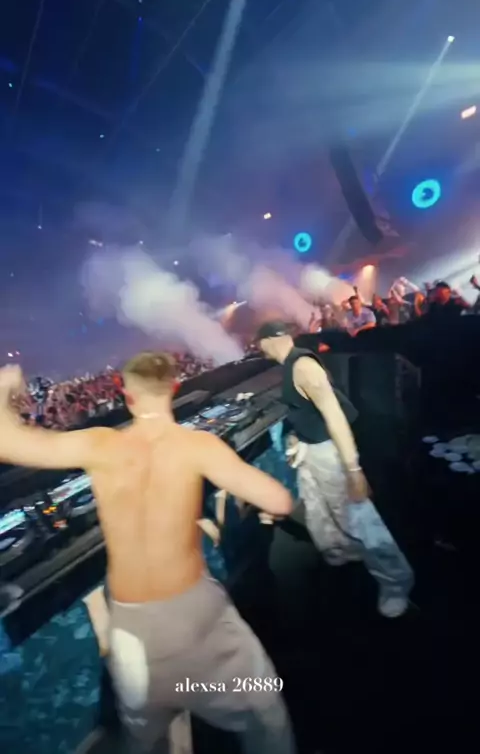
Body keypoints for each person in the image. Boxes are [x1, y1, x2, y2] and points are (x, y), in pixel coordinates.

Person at [0, 355, 296, 754]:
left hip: (131, 633)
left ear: (127, 395)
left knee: (146, 739)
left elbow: (7, 441)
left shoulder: (100, 445)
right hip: (195, 618)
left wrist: (5, 388)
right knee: (264, 713)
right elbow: (279, 500)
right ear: (173, 388)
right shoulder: (196, 446)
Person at [256, 322, 413, 618]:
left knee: (359, 518)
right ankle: (342, 553)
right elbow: (309, 413)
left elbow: (335, 417)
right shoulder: (291, 365)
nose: (258, 350)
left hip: (329, 453)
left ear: (268, 341)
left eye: (259, 344)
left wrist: (353, 470)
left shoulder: (303, 367)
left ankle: (396, 581)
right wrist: (298, 437)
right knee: (319, 512)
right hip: (311, 450)